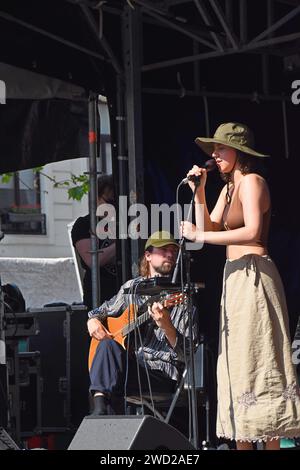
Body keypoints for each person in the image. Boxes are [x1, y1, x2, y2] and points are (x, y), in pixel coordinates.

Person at [181, 122, 300, 450]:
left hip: (254, 275)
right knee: (239, 362)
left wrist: (201, 235)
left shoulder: (251, 182)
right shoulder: (228, 188)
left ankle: (273, 443)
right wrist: (199, 190)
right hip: (233, 278)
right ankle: (243, 443)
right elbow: (209, 225)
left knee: (260, 358)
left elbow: (251, 231)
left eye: (221, 149)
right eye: (213, 150)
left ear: (240, 152)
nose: (215, 156)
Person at [87, 230, 198, 416]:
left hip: (161, 373)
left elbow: (187, 355)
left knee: (111, 371)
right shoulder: (132, 288)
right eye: (163, 250)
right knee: (107, 345)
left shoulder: (182, 298)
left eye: (173, 251)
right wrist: (92, 321)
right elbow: (101, 311)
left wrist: (167, 327)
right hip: (131, 366)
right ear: (148, 255)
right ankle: (99, 411)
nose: (170, 255)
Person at [71, 174, 117, 310]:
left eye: (115, 202)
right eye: (109, 201)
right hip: (99, 298)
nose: (113, 206)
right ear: (95, 199)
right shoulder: (83, 225)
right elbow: (93, 260)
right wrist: (122, 243)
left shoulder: (126, 223)